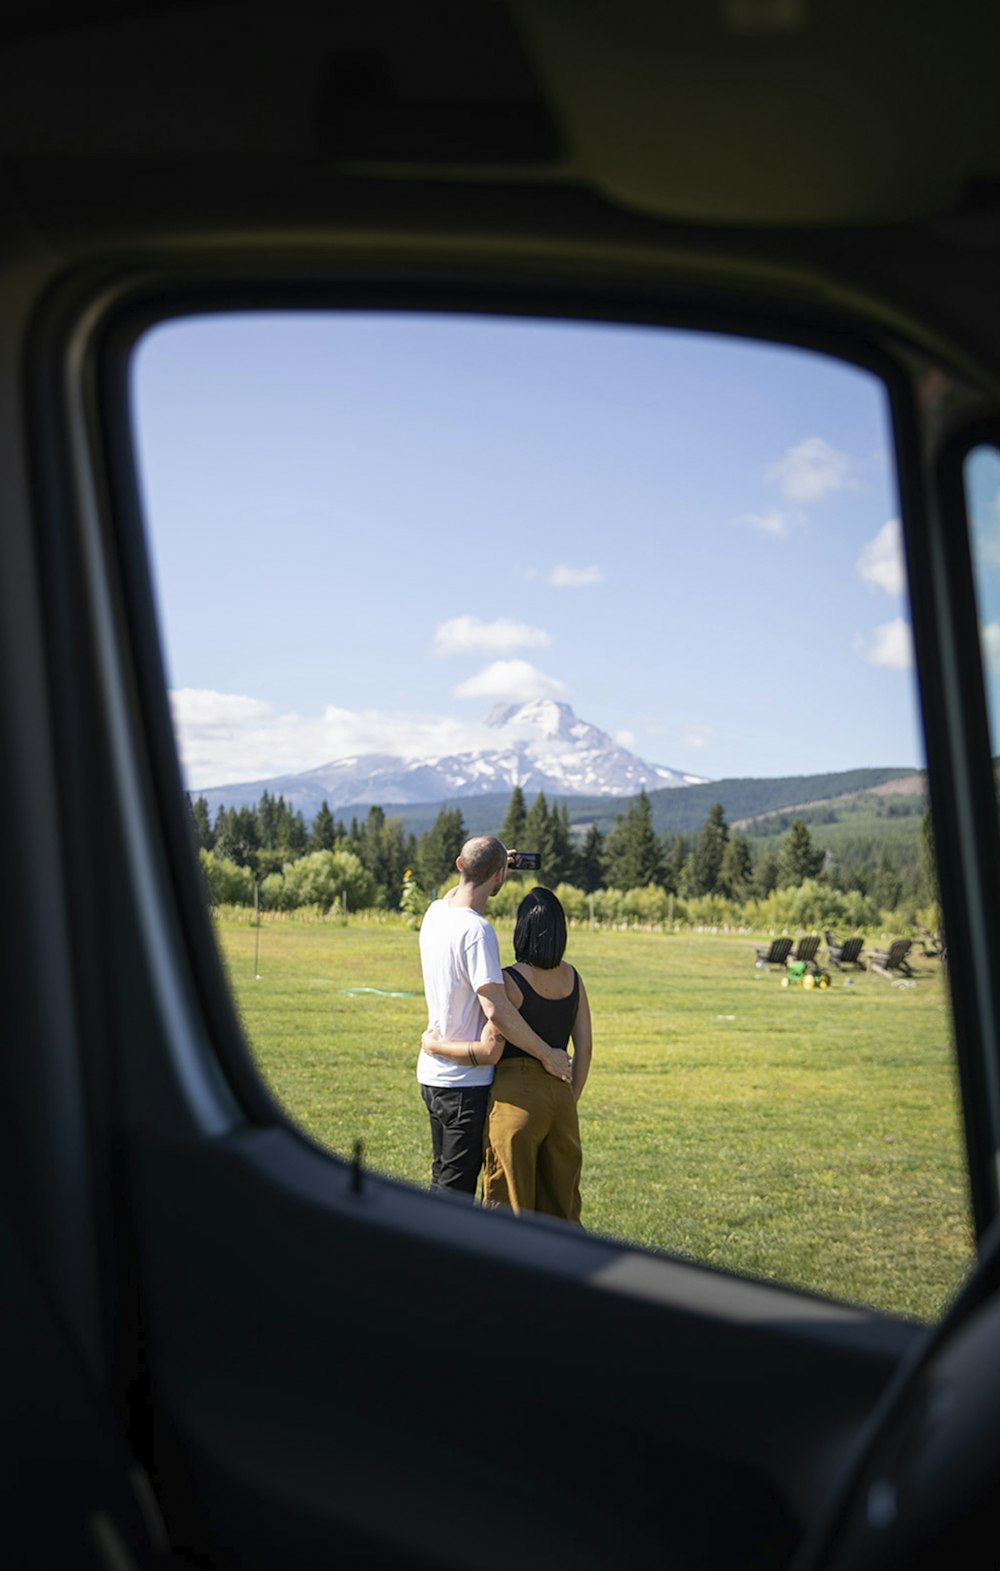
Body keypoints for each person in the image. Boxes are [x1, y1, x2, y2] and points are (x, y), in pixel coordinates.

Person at [423, 886, 592, 1224]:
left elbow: (490, 1048)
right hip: (560, 1098)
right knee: (562, 1212)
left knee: (509, 1211)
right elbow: (585, 1048)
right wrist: (567, 1099)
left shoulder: (508, 982)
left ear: (521, 930)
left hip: (515, 1102)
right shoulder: (573, 978)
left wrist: (433, 1046)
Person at [417, 837, 571, 1196]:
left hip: (433, 1078)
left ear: (459, 865)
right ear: (500, 876)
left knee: (441, 1180)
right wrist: (548, 1054)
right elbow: (497, 1009)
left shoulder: (436, 912)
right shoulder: (477, 931)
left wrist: (495, 860)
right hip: (465, 1085)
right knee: (455, 1193)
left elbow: (473, 871)